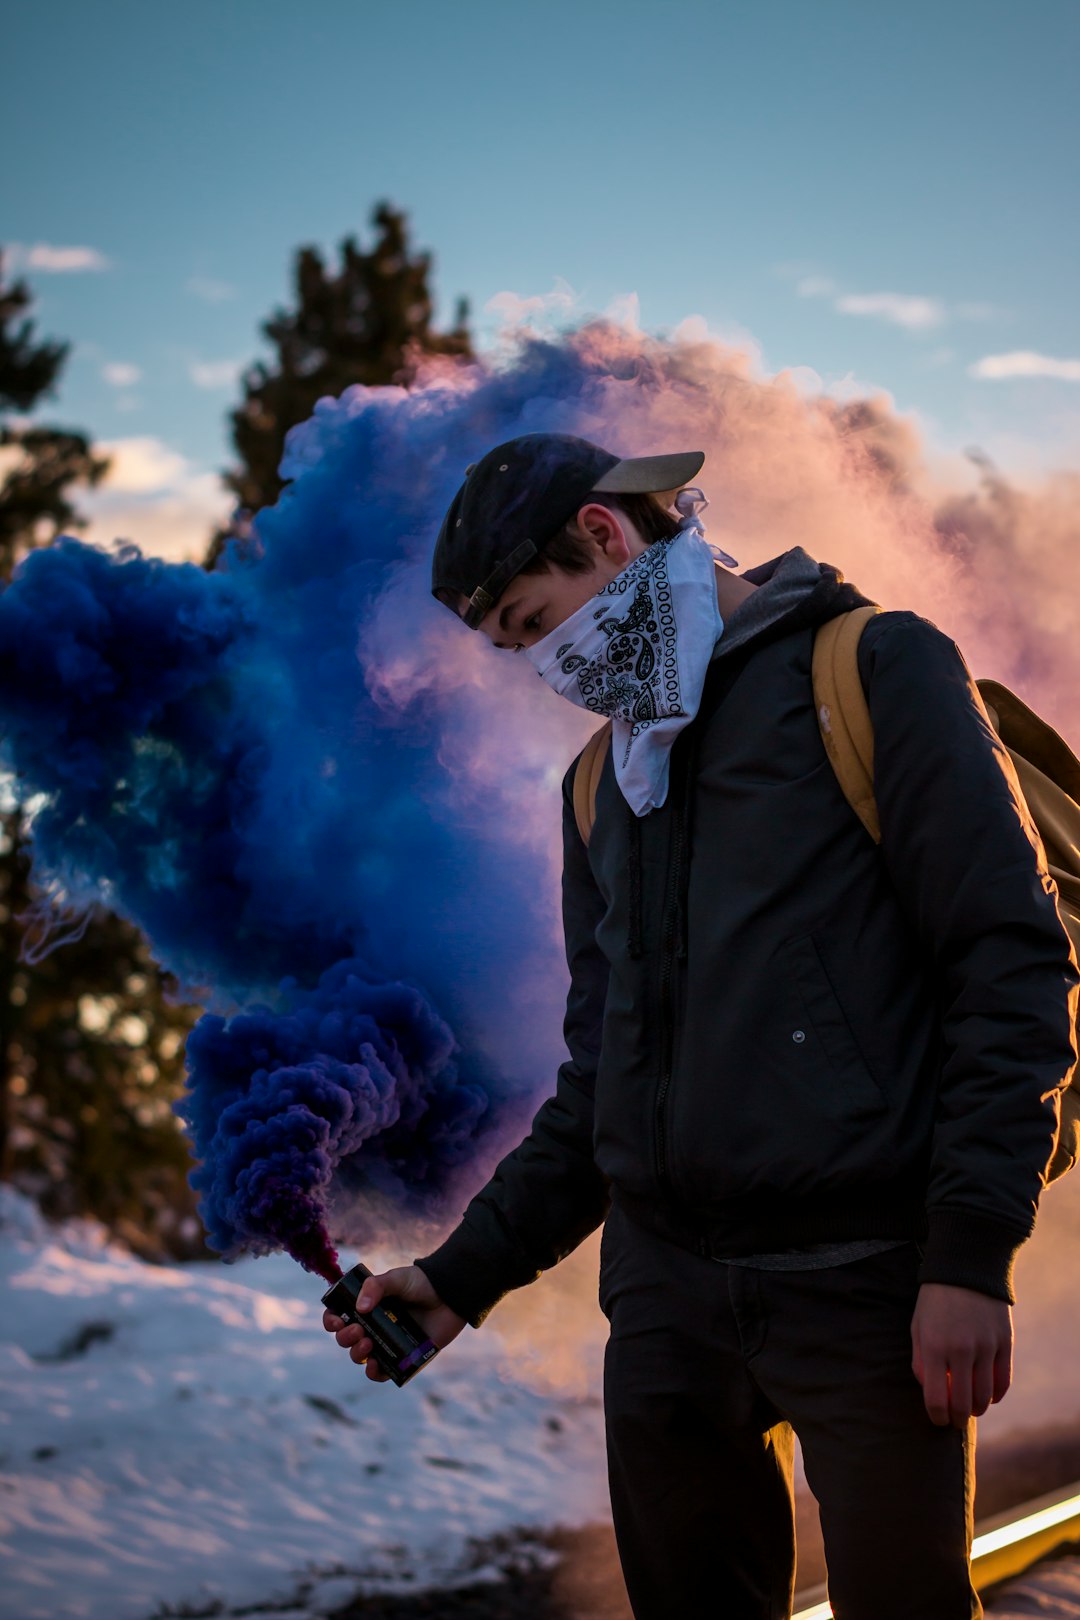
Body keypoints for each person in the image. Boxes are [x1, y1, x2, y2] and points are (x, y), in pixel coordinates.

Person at [324, 433, 1078, 1619]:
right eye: (517, 649)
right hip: (669, 1304)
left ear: (610, 535)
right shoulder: (598, 786)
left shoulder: (874, 669)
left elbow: (1016, 970)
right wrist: (458, 1279)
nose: (547, 668)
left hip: (869, 1289)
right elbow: (601, 1087)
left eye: (537, 622)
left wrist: (970, 1258)